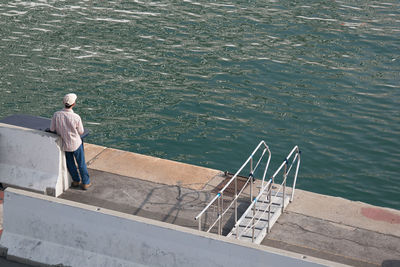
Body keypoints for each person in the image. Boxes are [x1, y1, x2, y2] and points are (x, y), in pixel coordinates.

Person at [50, 93, 91, 190]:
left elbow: (52, 129)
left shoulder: (56, 115)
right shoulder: (76, 117)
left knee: (70, 163)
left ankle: (76, 180)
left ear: (63, 103)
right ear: (74, 104)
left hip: (65, 144)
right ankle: (85, 182)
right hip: (76, 143)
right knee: (81, 163)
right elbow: (81, 131)